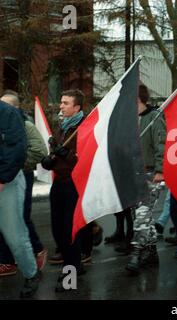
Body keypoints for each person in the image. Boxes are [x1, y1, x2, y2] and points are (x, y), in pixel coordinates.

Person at [40, 89, 93, 291]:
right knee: (57, 230)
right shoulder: (62, 127)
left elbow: (85, 159)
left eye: (65, 103)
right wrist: (49, 161)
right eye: (61, 102)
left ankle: (70, 279)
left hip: (74, 185)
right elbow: (56, 155)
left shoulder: (85, 128)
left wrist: (68, 156)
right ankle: (76, 266)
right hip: (59, 184)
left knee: (69, 233)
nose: (60, 106)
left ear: (77, 107)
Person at [0, 93, 48, 274]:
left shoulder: (26, 125)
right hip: (8, 173)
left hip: (21, 175)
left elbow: (39, 151)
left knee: (21, 218)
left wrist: (13, 163)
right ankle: (6, 261)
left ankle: (37, 250)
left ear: (15, 107)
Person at [126, 83, 165, 273]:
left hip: (151, 173)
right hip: (134, 174)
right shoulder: (130, 120)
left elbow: (161, 144)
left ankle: (136, 252)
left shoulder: (154, 118)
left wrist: (160, 169)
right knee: (143, 216)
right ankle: (151, 251)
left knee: (141, 215)